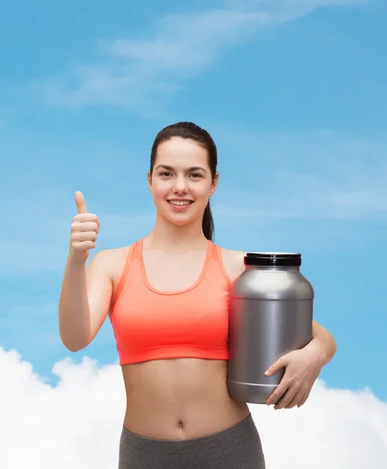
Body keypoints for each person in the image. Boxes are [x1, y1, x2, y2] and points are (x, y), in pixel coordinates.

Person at [58, 121, 337, 468]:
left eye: (194, 174)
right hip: (144, 456)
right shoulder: (112, 265)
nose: (179, 187)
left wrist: (316, 356)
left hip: (229, 450)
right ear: (149, 180)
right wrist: (76, 258)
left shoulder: (239, 269)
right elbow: (74, 337)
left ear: (213, 183)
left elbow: (317, 334)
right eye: (166, 174)